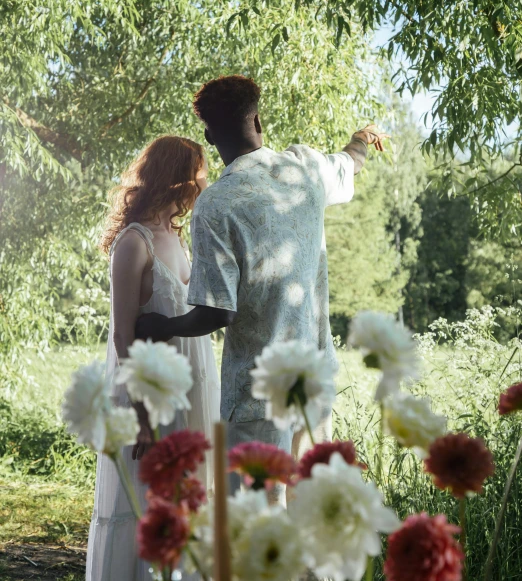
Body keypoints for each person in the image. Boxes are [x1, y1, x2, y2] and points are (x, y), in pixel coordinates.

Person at [136, 76, 388, 503]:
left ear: (209, 134)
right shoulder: (305, 170)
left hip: (255, 400)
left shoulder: (216, 204)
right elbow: (350, 162)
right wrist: (361, 137)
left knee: (255, 534)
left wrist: (162, 325)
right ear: (257, 117)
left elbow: (217, 313)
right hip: (313, 383)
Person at [86, 135, 220, 581]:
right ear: (178, 177)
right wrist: (142, 416)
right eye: (200, 170)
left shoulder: (177, 238)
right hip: (150, 400)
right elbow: (123, 334)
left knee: (186, 507)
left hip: (190, 392)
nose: (205, 179)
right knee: (147, 509)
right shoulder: (133, 243)